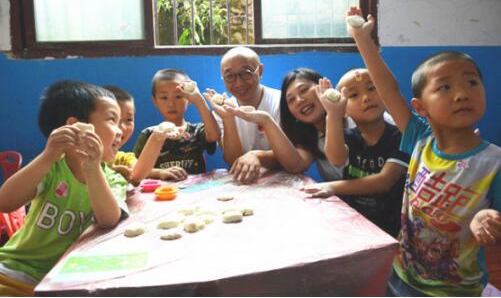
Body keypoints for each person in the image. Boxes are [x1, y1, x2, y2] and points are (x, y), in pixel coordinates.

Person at [348, 7, 501, 296]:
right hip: (402, 271)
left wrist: (487, 218)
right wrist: (362, 38)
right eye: (444, 87)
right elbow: (389, 89)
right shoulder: (419, 137)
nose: (462, 94)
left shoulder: (493, 163)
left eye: (472, 82)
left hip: (455, 288)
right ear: (420, 108)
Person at [0, 81, 128, 296]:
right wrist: (47, 156)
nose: (120, 131)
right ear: (77, 126)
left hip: (66, 281)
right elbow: (5, 202)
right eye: (112, 120)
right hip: (14, 274)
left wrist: (93, 169)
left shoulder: (113, 179)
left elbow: (108, 219)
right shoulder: (52, 168)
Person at [300, 68, 409, 237]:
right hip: (355, 221)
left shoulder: (400, 136)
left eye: (372, 89)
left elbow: (383, 182)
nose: (366, 97)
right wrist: (333, 115)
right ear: (345, 109)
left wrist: (332, 187)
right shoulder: (349, 137)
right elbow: (336, 158)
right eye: (354, 95)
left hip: (391, 227)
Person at [204, 47, 281, 184]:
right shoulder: (221, 111)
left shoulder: (281, 102)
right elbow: (233, 160)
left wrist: (258, 156)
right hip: (242, 182)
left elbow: (291, 156)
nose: (238, 83)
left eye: (246, 73)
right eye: (230, 76)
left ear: (260, 71)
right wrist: (228, 119)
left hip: (281, 180)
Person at [133, 69, 220, 179]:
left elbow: (214, 135)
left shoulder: (196, 131)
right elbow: (133, 170)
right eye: (164, 98)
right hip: (162, 193)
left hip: (195, 192)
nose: (171, 104)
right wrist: (159, 173)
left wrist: (199, 100)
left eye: (178, 96)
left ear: (188, 99)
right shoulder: (149, 135)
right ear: (155, 101)